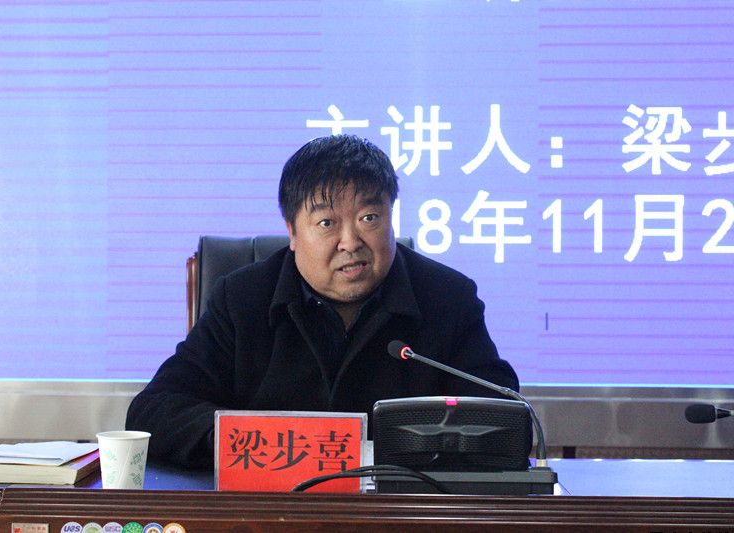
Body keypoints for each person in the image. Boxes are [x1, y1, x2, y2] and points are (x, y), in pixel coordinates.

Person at [126, 134, 519, 467]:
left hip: (400, 511)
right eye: (327, 223)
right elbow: (153, 411)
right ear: (292, 231)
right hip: (270, 510)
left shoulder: (447, 298)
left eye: (369, 218)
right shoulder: (243, 300)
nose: (351, 242)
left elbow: (505, 421)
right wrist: (258, 443)